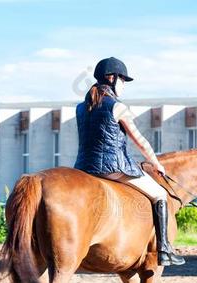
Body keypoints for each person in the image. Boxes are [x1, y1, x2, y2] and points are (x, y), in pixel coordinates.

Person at [73, 57, 184, 266]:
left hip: (84, 168)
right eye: (123, 79)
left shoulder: (81, 107)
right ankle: (164, 250)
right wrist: (156, 164)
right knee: (160, 194)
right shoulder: (117, 106)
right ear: (111, 78)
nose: (124, 84)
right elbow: (140, 141)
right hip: (114, 168)